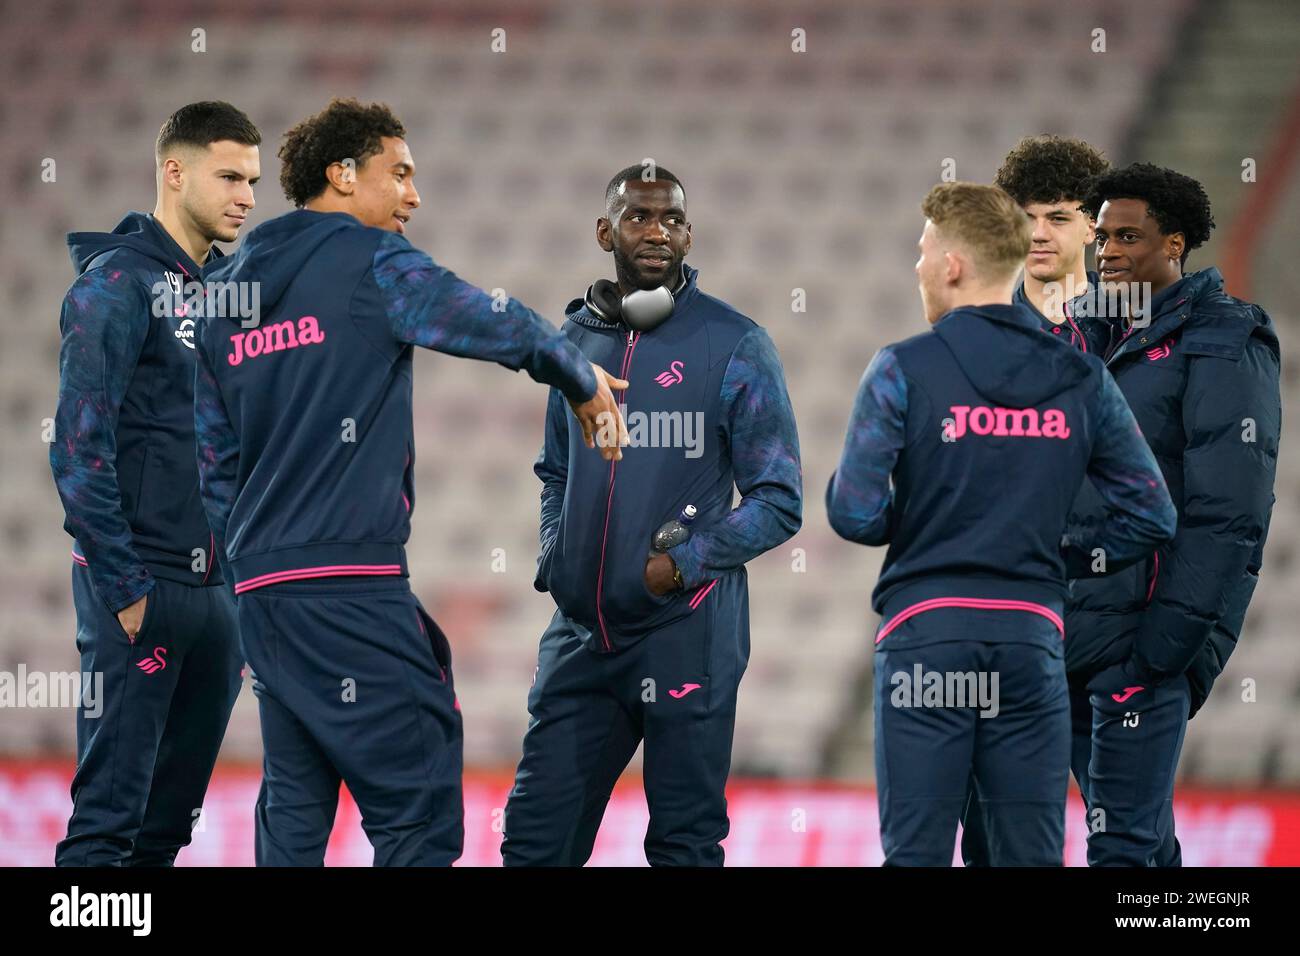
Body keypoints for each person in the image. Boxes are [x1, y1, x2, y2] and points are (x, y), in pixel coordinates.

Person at [193, 98, 627, 866]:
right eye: (400, 174)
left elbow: (214, 463)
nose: (413, 197)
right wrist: (577, 377)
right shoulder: (368, 260)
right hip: (347, 581)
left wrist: (245, 578)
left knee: (295, 811)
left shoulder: (224, 295)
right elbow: (485, 317)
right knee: (418, 806)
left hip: (263, 590)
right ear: (343, 174)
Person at [826, 182, 1176, 866]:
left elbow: (855, 512)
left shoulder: (901, 368)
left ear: (953, 265)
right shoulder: (1080, 376)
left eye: (924, 251)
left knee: (917, 855)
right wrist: (1061, 549)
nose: (919, 266)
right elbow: (1151, 514)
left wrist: (933, 519)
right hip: (1029, 641)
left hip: (926, 641)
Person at [501, 165, 803, 866]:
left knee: (683, 847)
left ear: (689, 235)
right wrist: (558, 553)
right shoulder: (569, 344)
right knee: (533, 845)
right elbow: (553, 470)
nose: (658, 231)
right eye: (639, 217)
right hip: (581, 639)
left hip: (684, 631)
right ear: (605, 231)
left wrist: (679, 568)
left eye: (672, 219)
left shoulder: (736, 344)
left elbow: (780, 500)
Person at [51, 101, 260, 865]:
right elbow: (77, 446)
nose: (246, 195)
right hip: (142, 589)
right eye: (230, 175)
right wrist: (126, 585)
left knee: (167, 833)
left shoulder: (230, 294)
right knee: (106, 828)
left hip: (217, 599)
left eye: (254, 180)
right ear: (174, 172)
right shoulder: (115, 286)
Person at [1066, 163, 1281, 866]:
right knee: (1141, 846)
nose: (1108, 253)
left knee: (1122, 851)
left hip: (1143, 641)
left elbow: (1231, 513)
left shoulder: (1223, 341)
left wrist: (1165, 648)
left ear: (1177, 244)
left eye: (1129, 236)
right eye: (1100, 238)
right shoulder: (1081, 337)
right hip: (1069, 634)